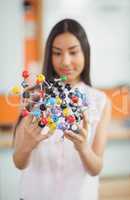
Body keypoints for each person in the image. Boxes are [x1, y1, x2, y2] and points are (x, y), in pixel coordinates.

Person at [13, 18, 111, 200]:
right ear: (49, 56)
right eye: (57, 53)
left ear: (85, 53)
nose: (65, 61)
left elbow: (96, 168)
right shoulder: (34, 95)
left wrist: (83, 148)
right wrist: (27, 145)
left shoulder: (100, 100)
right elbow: (18, 162)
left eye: (73, 52)